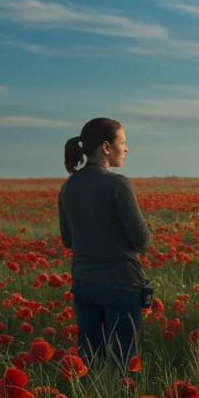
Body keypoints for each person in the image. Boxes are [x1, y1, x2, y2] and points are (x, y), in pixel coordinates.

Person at [59, 118, 150, 367]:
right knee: (123, 361)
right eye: (123, 142)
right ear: (107, 147)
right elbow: (141, 241)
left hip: (83, 284)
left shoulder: (68, 186)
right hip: (120, 284)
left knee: (89, 360)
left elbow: (68, 240)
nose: (127, 148)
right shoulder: (117, 183)